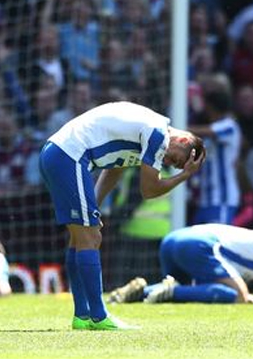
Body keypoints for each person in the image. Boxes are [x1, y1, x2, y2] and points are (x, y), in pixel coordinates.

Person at [39, 101, 205, 330]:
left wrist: (93, 206)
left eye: (174, 166)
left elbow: (115, 168)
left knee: (80, 238)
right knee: (90, 238)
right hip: (69, 156)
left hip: (57, 153)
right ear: (184, 140)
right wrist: (183, 176)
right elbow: (149, 190)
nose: (168, 163)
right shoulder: (158, 135)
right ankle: (99, 316)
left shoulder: (146, 135)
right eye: (175, 160)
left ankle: (82, 316)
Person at [108, 224, 253, 304]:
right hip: (199, 244)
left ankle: (138, 291)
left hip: (173, 240)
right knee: (237, 296)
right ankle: (172, 292)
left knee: (183, 287)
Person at [188, 82, 242, 225]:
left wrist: (177, 127)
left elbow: (210, 131)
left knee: (217, 242)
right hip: (205, 200)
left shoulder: (229, 126)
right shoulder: (209, 133)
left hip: (222, 199)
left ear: (210, 107)